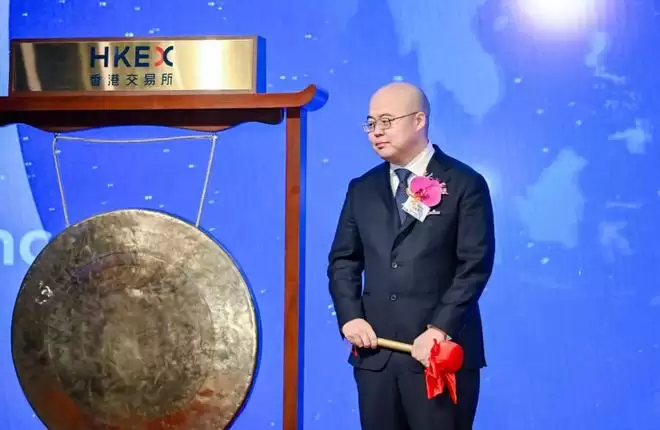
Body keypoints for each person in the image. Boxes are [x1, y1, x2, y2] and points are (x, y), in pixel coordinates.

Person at [327, 81, 495, 430]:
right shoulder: (362, 188)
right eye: (371, 123)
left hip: (438, 355)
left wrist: (440, 328)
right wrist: (350, 317)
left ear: (419, 120)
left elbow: (474, 265)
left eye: (386, 121)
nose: (376, 132)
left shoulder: (465, 183)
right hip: (376, 355)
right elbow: (344, 260)